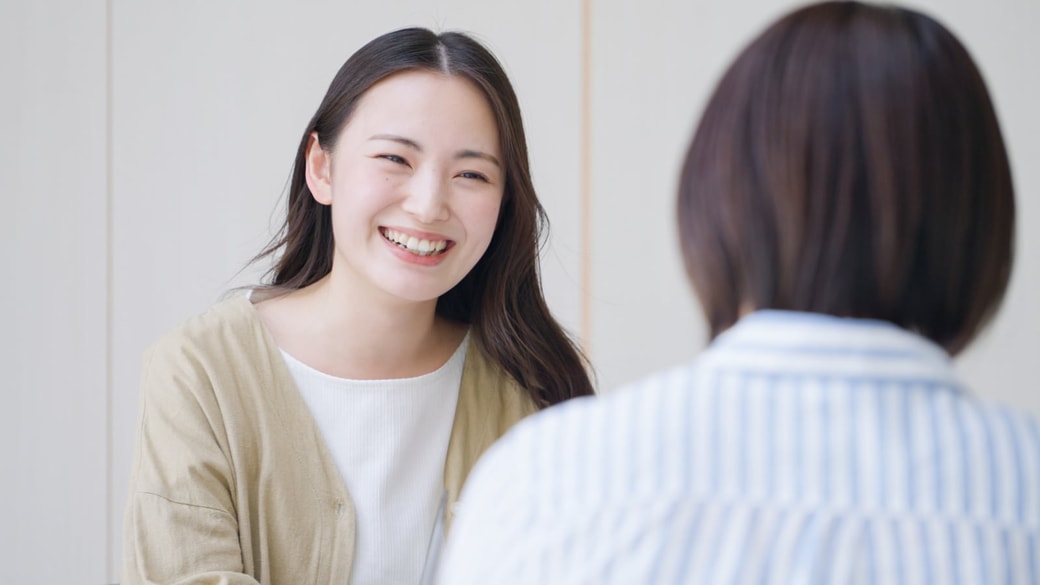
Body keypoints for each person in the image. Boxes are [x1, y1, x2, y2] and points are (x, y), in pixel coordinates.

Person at [439, 2, 1038, 583]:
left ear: (715, 205)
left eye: (471, 173)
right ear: (984, 224)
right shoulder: (1021, 487)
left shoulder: (549, 479)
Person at [121, 27, 594, 585]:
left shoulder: (532, 392)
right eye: (395, 158)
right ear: (321, 168)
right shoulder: (202, 371)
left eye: (471, 173)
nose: (428, 205)